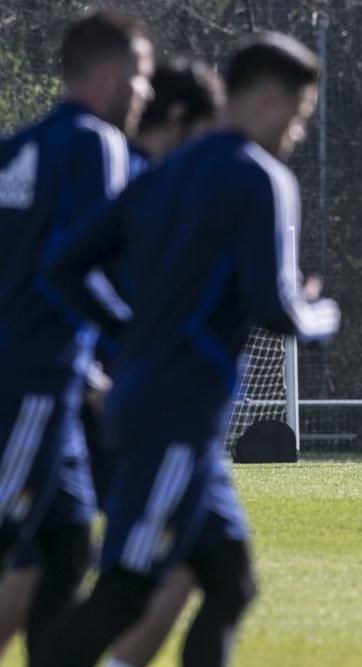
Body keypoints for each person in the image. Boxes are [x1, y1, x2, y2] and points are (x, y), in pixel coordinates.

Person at [39, 31, 339, 667]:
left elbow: (64, 267)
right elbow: (274, 308)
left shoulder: (162, 171)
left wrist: (129, 333)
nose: (297, 132)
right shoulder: (261, 178)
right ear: (266, 101)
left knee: (231, 583)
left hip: (159, 410)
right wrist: (321, 314)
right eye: (299, 115)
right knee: (125, 587)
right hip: (174, 418)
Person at [0, 57, 224, 667]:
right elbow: (75, 277)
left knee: (58, 552)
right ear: (182, 121)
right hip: (102, 398)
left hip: (81, 393)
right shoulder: (127, 176)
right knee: (178, 563)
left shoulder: (61, 156)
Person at [0, 9, 154, 664]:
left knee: (65, 549)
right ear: (111, 74)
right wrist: (132, 332)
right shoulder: (97, 142)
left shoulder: (17, 147)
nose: (145, 94)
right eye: (143, 76)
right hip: (34, 381)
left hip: (47, 383)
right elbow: (71, 268)